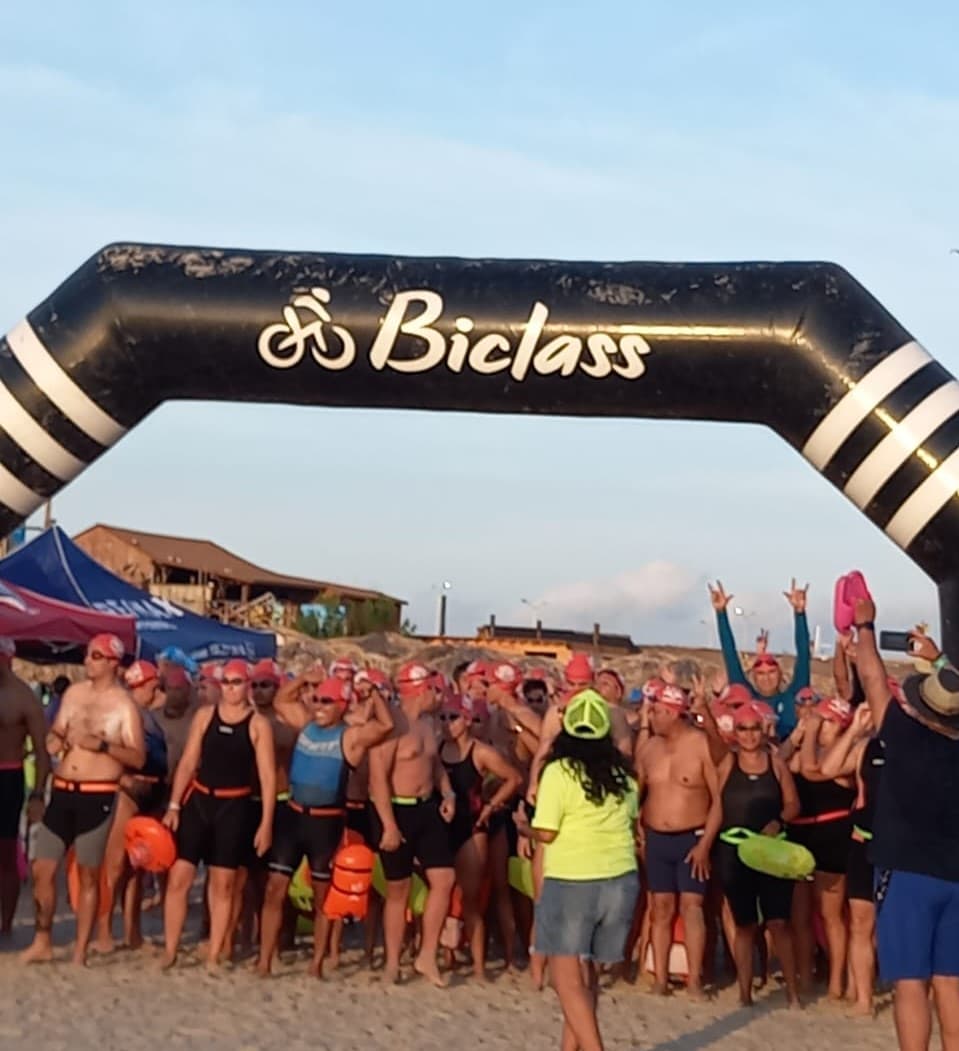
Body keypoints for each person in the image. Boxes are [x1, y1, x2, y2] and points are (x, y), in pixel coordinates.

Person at [854, 600, 959, 1051]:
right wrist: (940, 660)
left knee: (911, 982)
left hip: (907, 872)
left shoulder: (902, 731)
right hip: (955, 875)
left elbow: (872, 677)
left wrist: (865, 625)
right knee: (951, 982)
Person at [514, 689, 639, 1051]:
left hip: (573, 879)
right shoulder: (624, 774)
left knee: (566, 980)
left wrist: (524, 828)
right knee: (588, 978)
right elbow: (631, 821)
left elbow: (548, 833)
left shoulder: (559, 771)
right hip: (620, 880)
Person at [257, 673, 393, 978]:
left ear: (342, 705)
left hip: (326, 823)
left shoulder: (350, 737)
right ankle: (264, 961)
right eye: (316, 700)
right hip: (293, 816)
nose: (318, 706)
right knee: (275, 888)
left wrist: (373, 694)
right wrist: (305, 678)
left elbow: (385, 726)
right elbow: (281, 700)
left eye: (326, 701)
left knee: (323, 898)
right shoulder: (306, 725)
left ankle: (317, 962)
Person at [23, 634, 145, 965]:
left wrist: (101, 745)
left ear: (113, 662)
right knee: (42, 869)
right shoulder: (74, 694)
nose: (87, 660)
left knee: (89, 875)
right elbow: (59, 731)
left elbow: (138, 757)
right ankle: (42, 940)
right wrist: (54, 740)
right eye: (88, 654)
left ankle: (80, 949)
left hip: (97, 794)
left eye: (95, 655)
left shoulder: (124, 705)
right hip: (63, 790)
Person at [161, 659, 275, 969]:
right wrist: (174, 806)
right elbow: (188, 762)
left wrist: (266, 823)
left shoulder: (257, 724)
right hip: (200, 800)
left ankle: (214, 953)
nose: (230, 688)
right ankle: (170, 949)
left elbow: (267, 777)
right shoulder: (205, 716)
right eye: (226, 682)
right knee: (179, 877)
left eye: (237, 682)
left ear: (247, 685)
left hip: (233, 806)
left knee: (223, 884)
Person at [368, 661, 457, 986]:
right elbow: (378, 778)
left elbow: (434, 765)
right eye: (435, 690)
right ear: (421, 689)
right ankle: (393, 962)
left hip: (426, 807)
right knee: (398, 890)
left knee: (444, 879)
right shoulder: (393, 724)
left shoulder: (429, 724)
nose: (440, 697)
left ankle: (426, 955)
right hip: (396, 808)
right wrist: (389, 825)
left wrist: (448, 793)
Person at [635, 683, 721, 998]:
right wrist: (637, 826)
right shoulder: (649, 748)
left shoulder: (699, 745)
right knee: (660, 907)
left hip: (691, 836)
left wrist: (705, 844)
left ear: (673, 713)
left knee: (692, 906)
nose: (652, 717)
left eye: (657, 712)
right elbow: (637, 793)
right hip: (657, 838)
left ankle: (694, 979)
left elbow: (718, 799)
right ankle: (660, 978)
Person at [715, 702, 800, 1006]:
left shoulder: (776, 764)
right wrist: (703, 845)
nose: (749, 735)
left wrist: (779, 821)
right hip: (734, 850)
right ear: (735, 732)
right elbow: (716, 808)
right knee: (745, 925)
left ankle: (792, 992)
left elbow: (793, 803)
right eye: (743, 729)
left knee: (779, 923)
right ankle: (744, 992)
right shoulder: (728, 762)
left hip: (771, 850)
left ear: (763, 731)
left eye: (754, 728)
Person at [439, 693, 523, 979]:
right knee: (442, 894)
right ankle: (447, 956)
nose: (447, 723)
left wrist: (491, 805)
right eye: (443, 717)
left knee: (472, 900)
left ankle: (477, 966)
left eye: (453, 717)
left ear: (466, 720)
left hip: (472, 828)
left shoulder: (480, 752)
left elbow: (514, 778)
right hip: (442, 827)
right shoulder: (436, 748)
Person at [94, 659, 168, 953]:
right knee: (115, 865)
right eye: (154, 687)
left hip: (152, 789)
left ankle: (132, 932)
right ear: (142, 686)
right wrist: (122, 779)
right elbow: (104, 752)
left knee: (138, 867)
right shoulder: (121, 713)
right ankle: (104, 931)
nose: (158, 693)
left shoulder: (147, 714)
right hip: (128, 791)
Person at [788, 695, 856, 1001]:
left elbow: (811, 769)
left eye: (826, 721)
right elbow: (780, 763)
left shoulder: (846, 756)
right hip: (801, 834)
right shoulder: (806, 750)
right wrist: (798, 735)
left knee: (831, 914)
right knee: (800, 914)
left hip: (832, 837)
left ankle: (836, 980)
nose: (819, 725)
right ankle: (805, 975)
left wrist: (811, 733)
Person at [818, 699, 880, 1016]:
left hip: (902, 847)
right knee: (859, 921)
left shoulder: (915, 747)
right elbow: (828, 769)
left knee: (890, 924)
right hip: (864, 841)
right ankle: (863, 999)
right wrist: (855, 729)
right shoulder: (866, 747)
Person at [709, 580, 810, 735]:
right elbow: (730, 654)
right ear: (754, 677)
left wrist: (799, 613)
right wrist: (721, 613)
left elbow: (803, 655)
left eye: (771, 672)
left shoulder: (793, 696)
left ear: (780, 675)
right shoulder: (748, 697)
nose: (766, 678)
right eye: (761, 674)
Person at [0, 638, 49, 936]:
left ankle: (5, 924)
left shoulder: (23, 698)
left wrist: (38, 794)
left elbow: (42, 751)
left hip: (8, 776)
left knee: (5, 853)